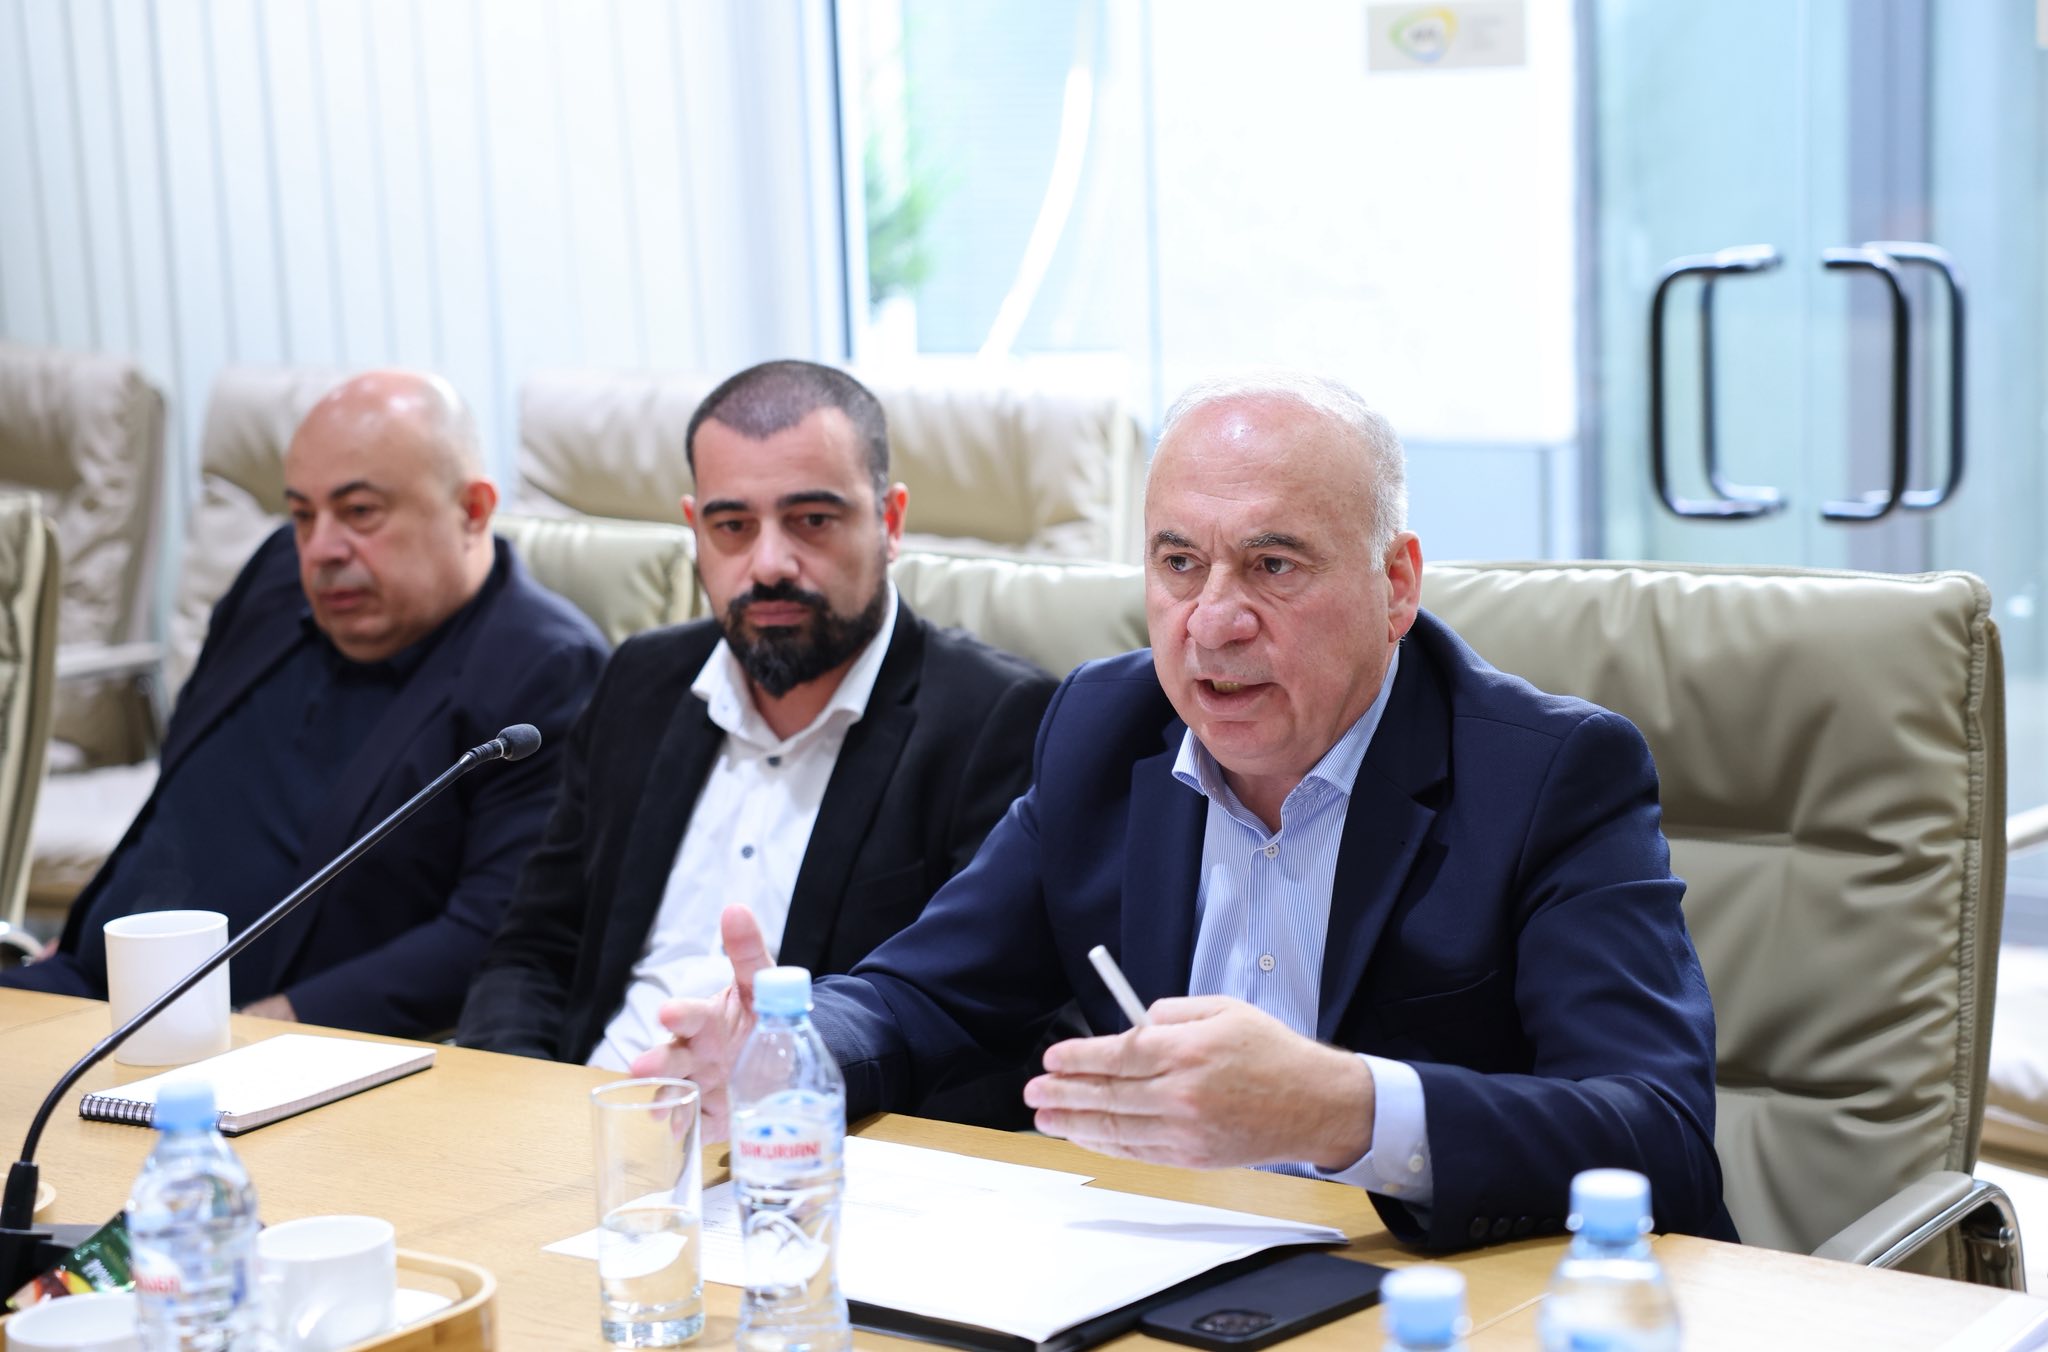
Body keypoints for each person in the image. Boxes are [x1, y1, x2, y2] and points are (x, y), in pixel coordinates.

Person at [631, 371, 1738, 1251]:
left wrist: (1342, 1109)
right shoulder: (1103, 729)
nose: (1212, 621)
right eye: (1178, 563)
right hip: (1172, 1273)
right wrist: (792, 1049)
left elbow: (1661, 1139)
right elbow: (925, 992)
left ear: (1396, 583)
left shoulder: (1550, 774)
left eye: (1272, 564)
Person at [457, 360, 1057, 1114]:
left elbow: (987, 1022)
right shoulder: (641, 681)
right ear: (695, 530)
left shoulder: (998, 719)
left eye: (812, 520)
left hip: (808, 1142)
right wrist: (517, 1106)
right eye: (733, 526)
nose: (769, 565)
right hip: (594, 1121)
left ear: (891, 522)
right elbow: (534, 948)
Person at [3, 371, 608, 1039]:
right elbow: (181, 792)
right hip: (90, 990)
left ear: (472, 510)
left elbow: (493, 934)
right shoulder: (276, 578)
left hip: (264, 1042)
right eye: (302, 514)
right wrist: (83, 944)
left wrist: (270, 1027)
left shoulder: (544, 669)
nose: (320, 550)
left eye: (360, 512)